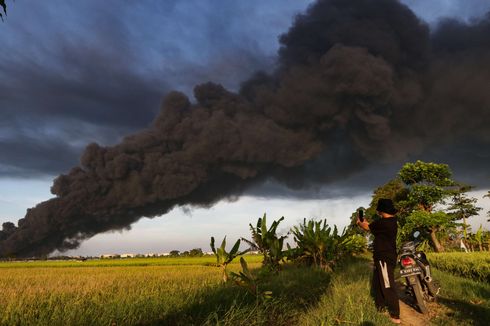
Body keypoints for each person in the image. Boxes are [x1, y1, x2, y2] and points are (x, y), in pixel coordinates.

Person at [357, 198, 400, 324]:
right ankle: (380, 308)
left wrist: (360, 223)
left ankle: (395, 315)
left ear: (380, 211)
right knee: (377, 283)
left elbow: (367, 227)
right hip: (383, 258)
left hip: (384, 259)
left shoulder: (384, 223)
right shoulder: (391, 221)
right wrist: (366, 223)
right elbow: (372, 227)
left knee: (387, 284)